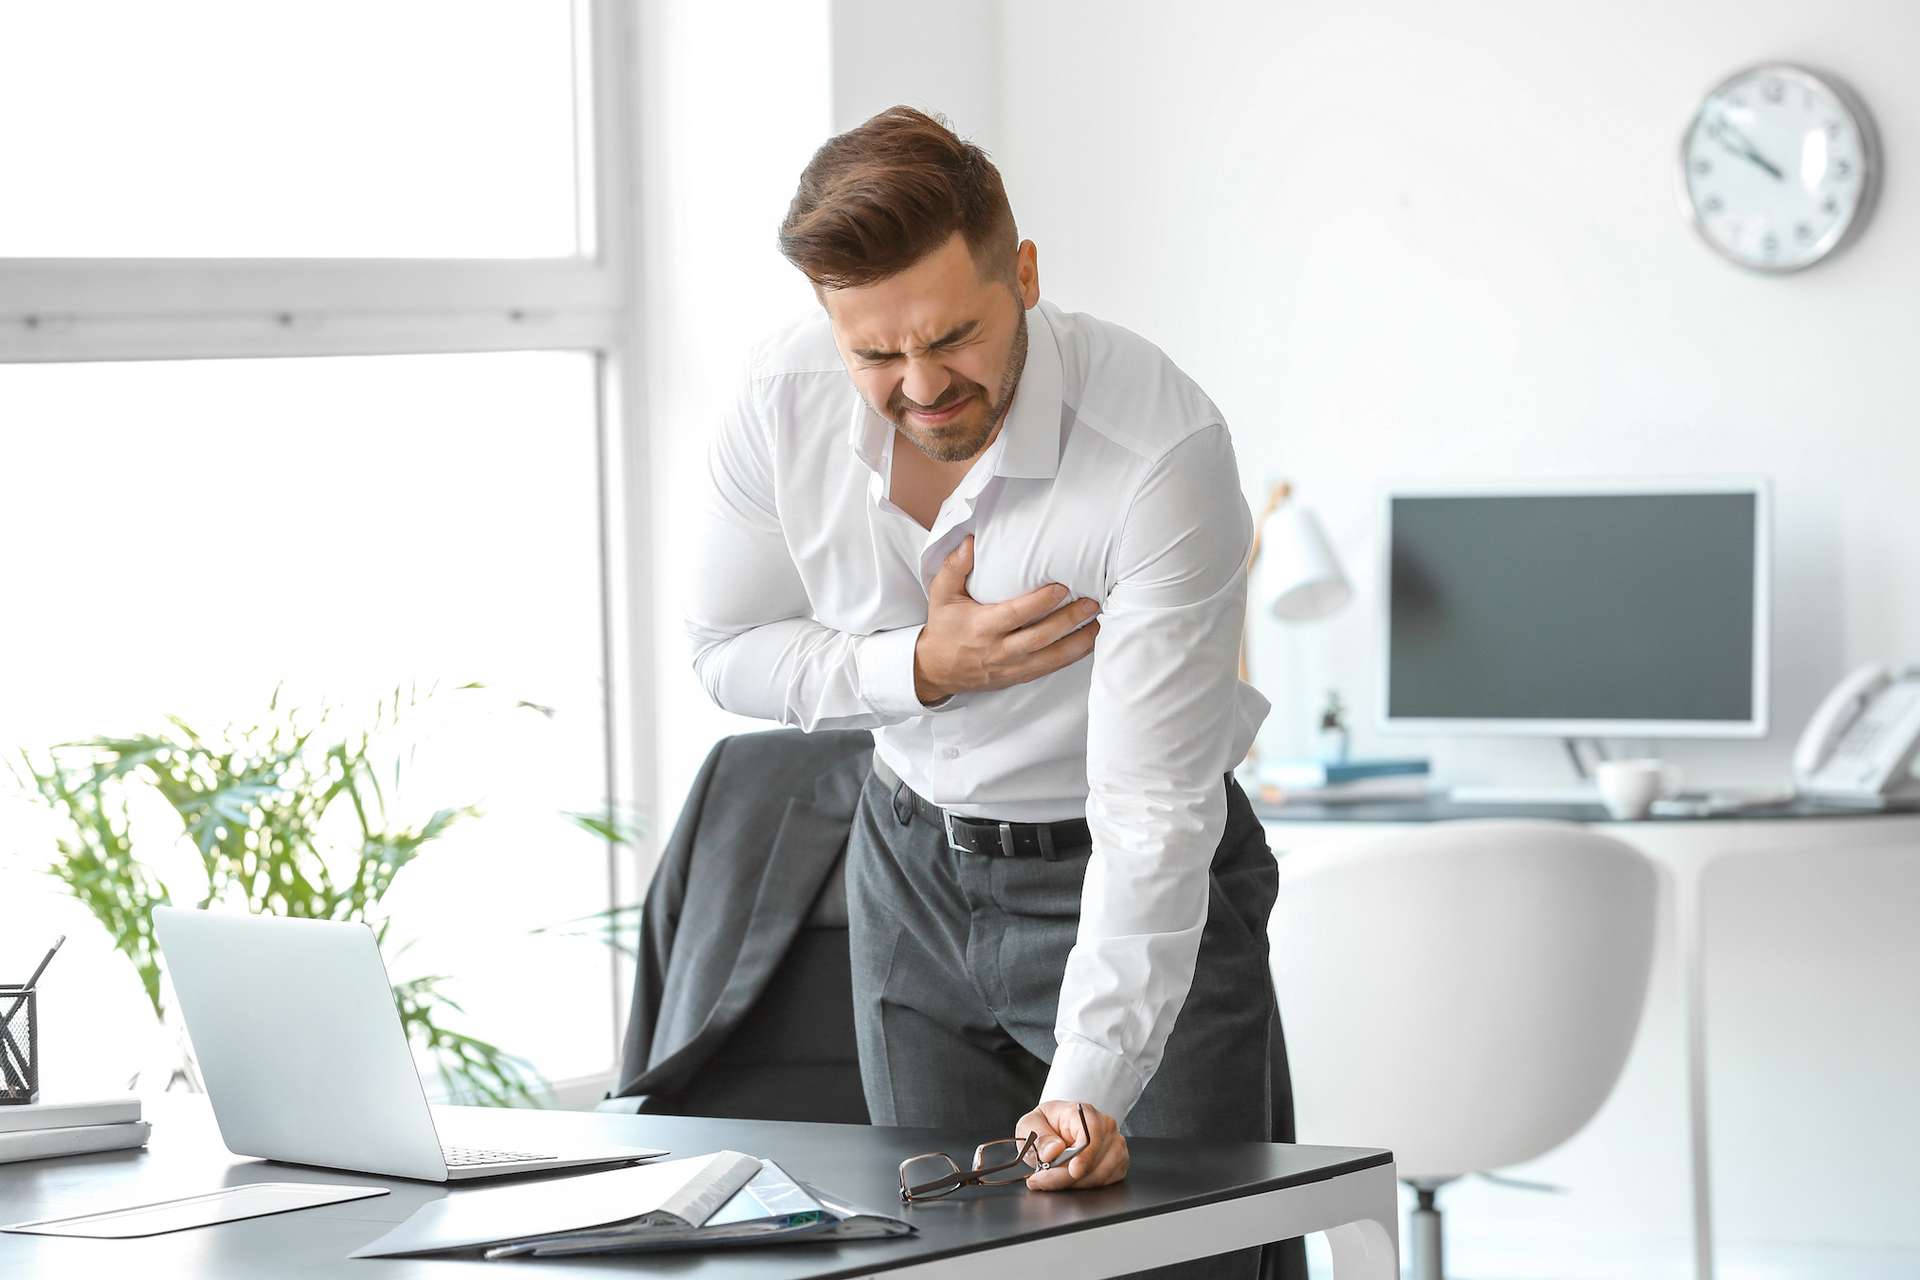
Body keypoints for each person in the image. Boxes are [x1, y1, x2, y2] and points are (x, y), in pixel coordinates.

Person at [687, 106, 1299, 1279]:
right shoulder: (780, 400)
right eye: (873, 353)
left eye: (954, 335)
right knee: (943, 1261)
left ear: (1022, 273)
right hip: (913, 866)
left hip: (1122, 874)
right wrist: (919, 666)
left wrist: (1090, 1083)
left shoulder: (1158, 454)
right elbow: (725, 647)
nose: (920, 386)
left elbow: (1151, 809)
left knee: (1193, 1259)